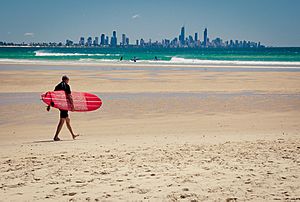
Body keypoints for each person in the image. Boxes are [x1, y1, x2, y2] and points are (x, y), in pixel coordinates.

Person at [50, 75, 79, 141]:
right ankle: (56, 136)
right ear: (66, 80)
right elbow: (69, 96)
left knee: (67, 120)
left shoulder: (57, 86)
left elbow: (53, 95)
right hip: (64, 105)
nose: (68, 81)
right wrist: (72, 105)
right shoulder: (66, 86)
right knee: (62, 121)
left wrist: (50, 105)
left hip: (60, 105)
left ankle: (73, 135)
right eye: (68, 80)